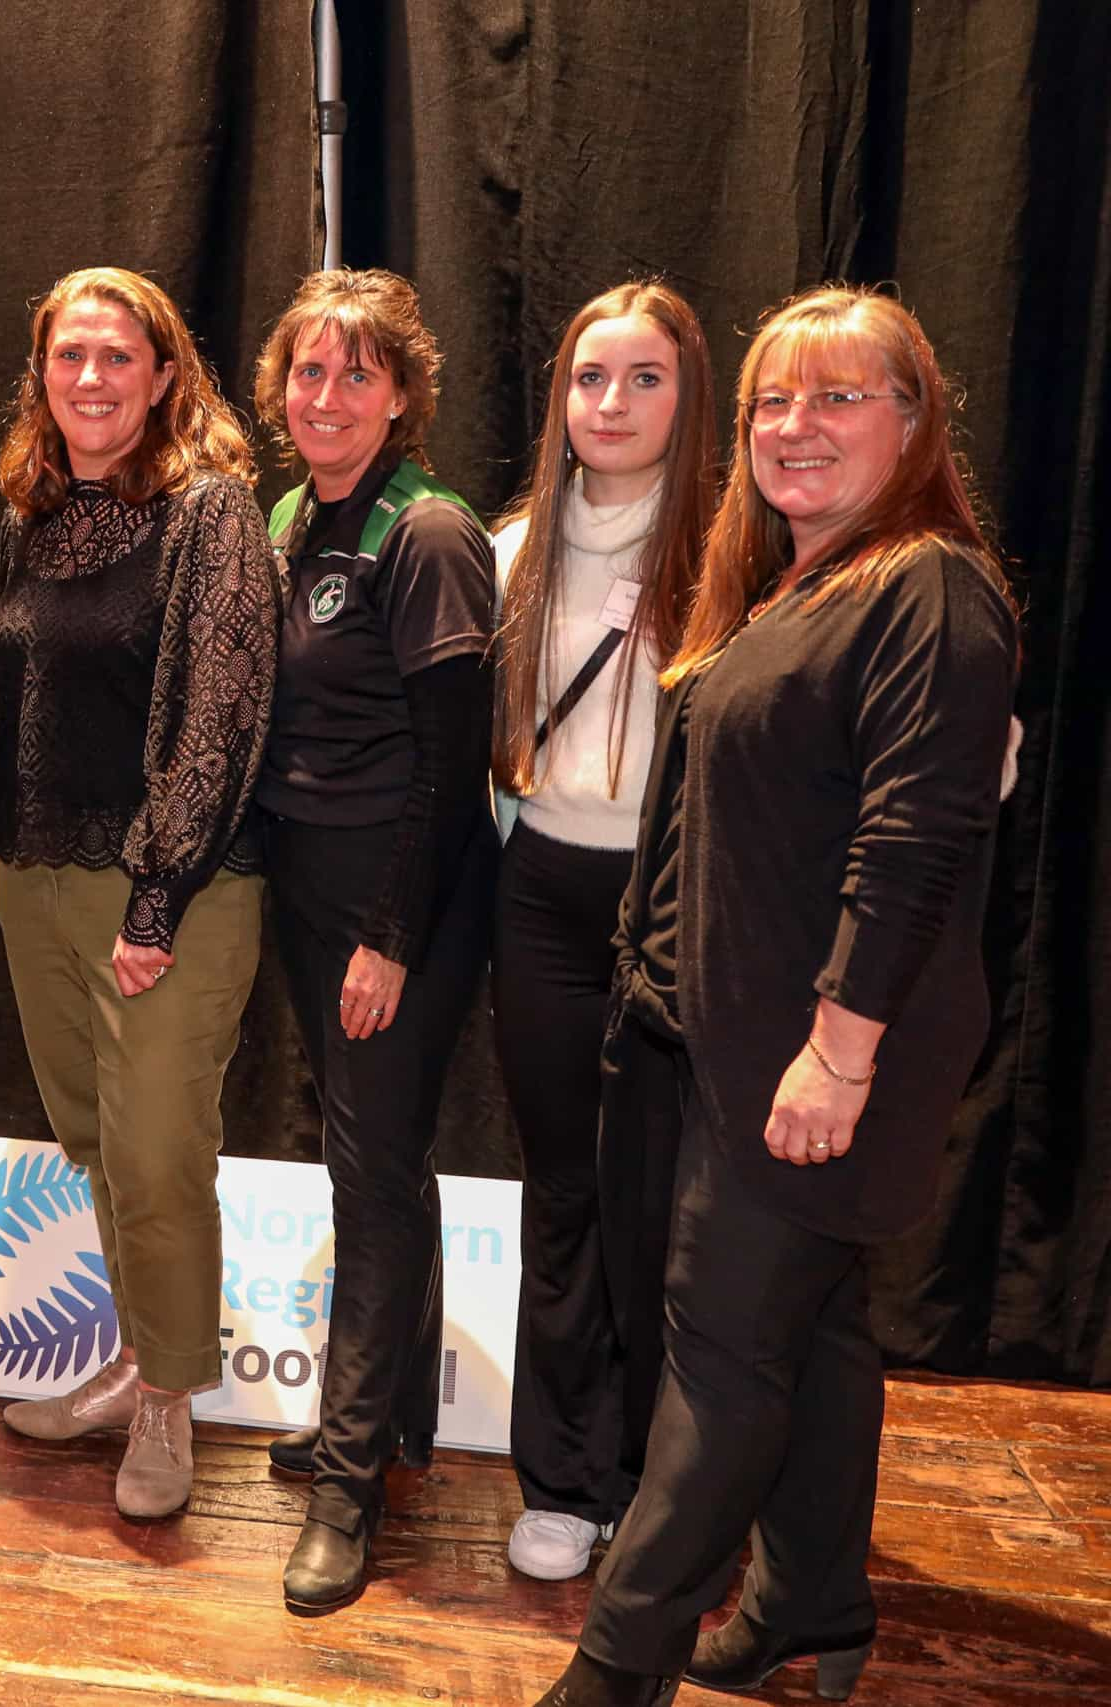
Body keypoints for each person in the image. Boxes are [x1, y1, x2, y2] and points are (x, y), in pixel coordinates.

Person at [534, 289, 1018, 1707]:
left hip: (817, 1055)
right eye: (771, 401)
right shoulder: (799, 579)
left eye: (839, 397)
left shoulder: (930, 588)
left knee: (724, 1354)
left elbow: (915, 842)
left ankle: (618, 1669)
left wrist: (840, 1055)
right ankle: (812, 1595)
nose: (794, 427)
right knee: (812, 1331)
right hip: (730, 1040)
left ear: (915, 423)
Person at [0, 266, 278, 1522]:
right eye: (68, 358)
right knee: (95, 1139)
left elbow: (222, 708)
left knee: (159, 1152)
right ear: (40, 379)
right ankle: (131, 1357)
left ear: (165, 376)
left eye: (117, 356)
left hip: (169, 888)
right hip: (30, 879)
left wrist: (157, 897)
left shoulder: (210, 511)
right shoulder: (25, 516)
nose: (91, 378)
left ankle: (169, 1400)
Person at [248, 268, 496, 1608]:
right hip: (307, 879)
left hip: (398, 893)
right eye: (307, 371)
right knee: (384, 1157)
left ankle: (348, 1492)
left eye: (355, 374)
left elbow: (452, 766)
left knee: (368, 1173)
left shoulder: (432, 531)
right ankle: (397, 1415)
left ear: (401, 394)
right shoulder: (294, 510)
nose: (325, 397)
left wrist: (391, 934)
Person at [487, 282, 717, 1581]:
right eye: (590, 378)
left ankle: (655, 1480)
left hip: (682, 904)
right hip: (548, 902)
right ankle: (561, 1479)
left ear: (689, 396)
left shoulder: (733, 554)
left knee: (668, 1209)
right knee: (566, 1195)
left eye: (642, 378)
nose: (612, 403)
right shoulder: (516, 548)